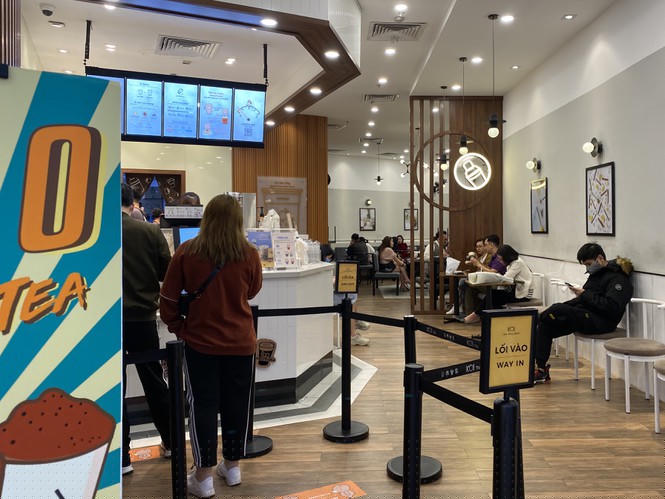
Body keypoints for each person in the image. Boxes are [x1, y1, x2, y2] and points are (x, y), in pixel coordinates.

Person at [160, 194, 263, 496]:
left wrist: (180, 328)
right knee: (237, 405)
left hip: (200, 344)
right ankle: (232, 467)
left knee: (202, 406)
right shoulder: (249, 253)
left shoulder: (187, 251)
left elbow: (167, 298)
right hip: (241, 343)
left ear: (206, 218)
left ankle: (203, 476)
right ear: (238, 221)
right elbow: (253, 291)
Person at [120, 183, 172, 476]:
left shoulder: (97, 235)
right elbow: (167, 273)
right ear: (133, 203)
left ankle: (122, 458)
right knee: (154, 380)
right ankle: (171, 442)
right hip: (142, 318)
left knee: (115, 387)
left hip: (107, 322)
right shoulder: (150, 232)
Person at [534, 243, 633, 383]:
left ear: (600, 258)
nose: (587, 268)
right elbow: (584, 299)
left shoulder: (619, 279)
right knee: (546, 324)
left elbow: (611, 307)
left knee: (558, 309)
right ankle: (541, 369)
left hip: (603, 322)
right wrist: (575, 299)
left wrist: (583, 295)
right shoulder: (597, 274)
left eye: (588, 264)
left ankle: (535, 319)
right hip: (586, 316)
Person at [463, 245, 533, 324]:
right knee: (493, 295)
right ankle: (483, 317)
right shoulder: (512, 263)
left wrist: (495, 276)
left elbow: (506, 279)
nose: (500, 261)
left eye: (500, 259)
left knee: (493, 295)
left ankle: (478, 316)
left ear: (506, 257)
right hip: (515, 291)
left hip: (522, 294)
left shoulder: (517, 263)